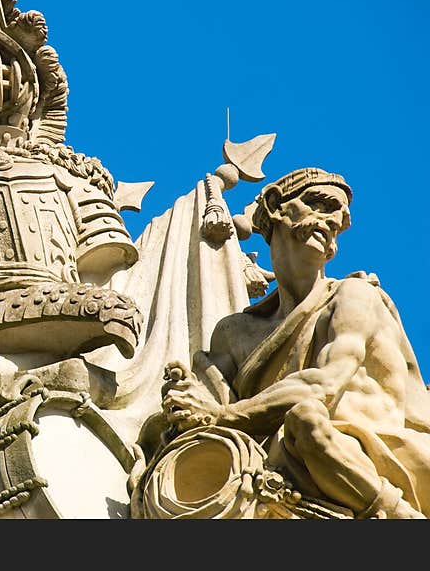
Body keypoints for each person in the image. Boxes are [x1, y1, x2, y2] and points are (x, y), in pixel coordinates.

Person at [161, 167, 430, 518]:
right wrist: (182, 399)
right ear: (275, 205)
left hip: (382, 458)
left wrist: (220, 415)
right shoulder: (235, 332)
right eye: (319, 204)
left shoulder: (353, 296)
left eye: (340, 217)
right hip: (290, 459)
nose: (332, 221)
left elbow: (323, 385)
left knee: (304, 420)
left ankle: (396, 515)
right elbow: (208, 400)